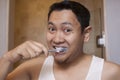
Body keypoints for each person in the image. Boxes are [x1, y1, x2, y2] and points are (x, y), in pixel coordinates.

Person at [0, 1, 120, 80]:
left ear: (86, 34)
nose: (57, 39)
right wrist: (7, 58)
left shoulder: (111, 72)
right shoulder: (33, 67)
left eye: (67, 30)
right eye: (52, 29)